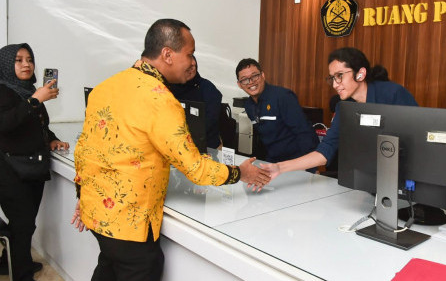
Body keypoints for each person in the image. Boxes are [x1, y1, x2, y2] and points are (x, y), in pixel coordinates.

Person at [71, 19, 270, 281]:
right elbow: (196, 168)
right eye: (190, 54)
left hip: (97, 213)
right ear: (167, 54)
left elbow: (85, 151)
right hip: (130, 223)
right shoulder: (161, 100)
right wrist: (239, 173)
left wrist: (84, 196)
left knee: (108, 267)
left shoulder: (104, 88)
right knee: (140, 267)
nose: (192, 61)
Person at [261, 47, 417, 179]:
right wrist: (279, 168)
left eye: (340, 76)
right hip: (369, 178)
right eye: (332, 78)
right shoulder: (344, 107)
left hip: (403, 177)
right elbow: (325, 151)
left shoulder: (392, 94)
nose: (335, 84)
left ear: (360, 74)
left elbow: (416, 141)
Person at [0, 43, 69, 281]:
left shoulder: (27, 90)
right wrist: (34, 100)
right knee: (23, 224)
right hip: (9, 169)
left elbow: (36, 126)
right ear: (7, 65)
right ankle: (21, 274)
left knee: (24, 223)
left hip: (31, 167)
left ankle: (12, 262)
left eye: (29, 59)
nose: (27, 64)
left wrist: (52, 140)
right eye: (18, 60)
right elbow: (5, 124)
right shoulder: (4, 91)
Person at [236, 58, 319, 163]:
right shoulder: (248, 106)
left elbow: (305, 133)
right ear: (239, 84)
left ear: (262, 75)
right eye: (244, 79)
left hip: (297, 161)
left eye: (255, 76)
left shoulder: (283, 97)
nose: (251, 82)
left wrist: (311, 166)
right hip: (273, 162)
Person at [168, 57, 223, 148]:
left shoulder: (207, 88)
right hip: (175, 144)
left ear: (193, 68)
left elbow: (210, 121)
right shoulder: (170, 87)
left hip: (207, 146)